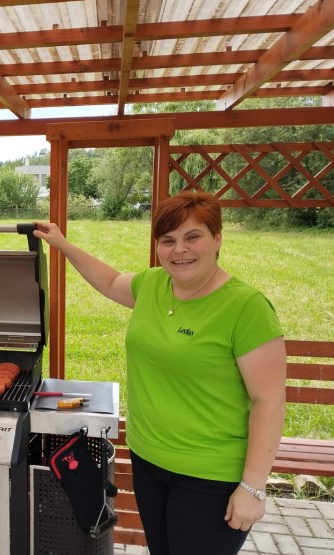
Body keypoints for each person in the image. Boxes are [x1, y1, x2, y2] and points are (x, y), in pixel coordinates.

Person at [34, 191, 286, 555]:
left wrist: (253, 488)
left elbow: (270, 401)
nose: (179, 250)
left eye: (192, 237)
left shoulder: (246, 308)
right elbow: (108, 281)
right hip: (149, 462)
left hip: (210, 476)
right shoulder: (153, 285)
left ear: (217, 239)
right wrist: (61, 244)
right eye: (167, 240)